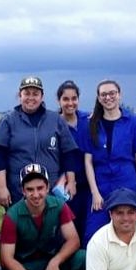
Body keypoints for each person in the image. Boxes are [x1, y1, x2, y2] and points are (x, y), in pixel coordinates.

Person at [0, 163, 85, 270]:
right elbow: (6, 259)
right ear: (22, 191)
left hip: (50, 261)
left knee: (82, 258)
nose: (36, 195)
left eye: (40, 188)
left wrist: (55, 262)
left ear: (48, 188)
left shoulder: (59, 206)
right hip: (24, 267)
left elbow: (74, 240)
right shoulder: (12, 216)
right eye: (30, 189)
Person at [78, 80, 136, 243]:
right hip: (101, 185)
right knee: (94, 234)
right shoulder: (90, 124)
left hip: (127, 182)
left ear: (119, 95)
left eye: (112, 93)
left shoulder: (134, 122)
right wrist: (95, 193)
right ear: (98, 97)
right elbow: (88, 162)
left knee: (128, 230)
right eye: (104, 94)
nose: (108, 97)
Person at [0, 76, 80, 206]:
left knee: (52, 225)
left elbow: (69, 153)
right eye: (26, 93)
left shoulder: (56, 120)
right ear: (19, 95)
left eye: (35, 94)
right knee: (20, 225)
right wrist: (1, 187)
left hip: (51, 191)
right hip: (18, 191)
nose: (31, 98)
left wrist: (71, 182)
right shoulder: (8, 121)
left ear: (42, 96)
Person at [56, 80, 90, 239]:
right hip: (67, 187)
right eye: (66, 99)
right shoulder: (54, 123)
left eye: (74, 98)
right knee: (69, 228)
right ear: (59, 101)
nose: (70, 103)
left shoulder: (88, 120)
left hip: (89, 184)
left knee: (87, 226)